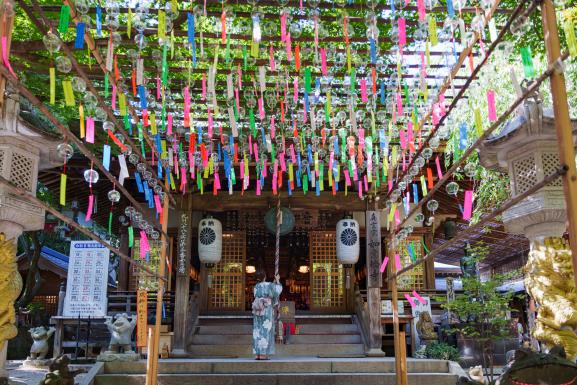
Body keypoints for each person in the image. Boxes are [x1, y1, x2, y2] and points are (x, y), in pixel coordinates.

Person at [252, 271, 282, 360]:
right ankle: (263, 354)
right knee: (266, 331)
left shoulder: (256, 286)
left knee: (257, 331)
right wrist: (278, 281)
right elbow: (277, 291)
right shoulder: (269, 285)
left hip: (257, 309)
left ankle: (257, 354)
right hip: (266, 309)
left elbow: (256, 295)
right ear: (264, 277)